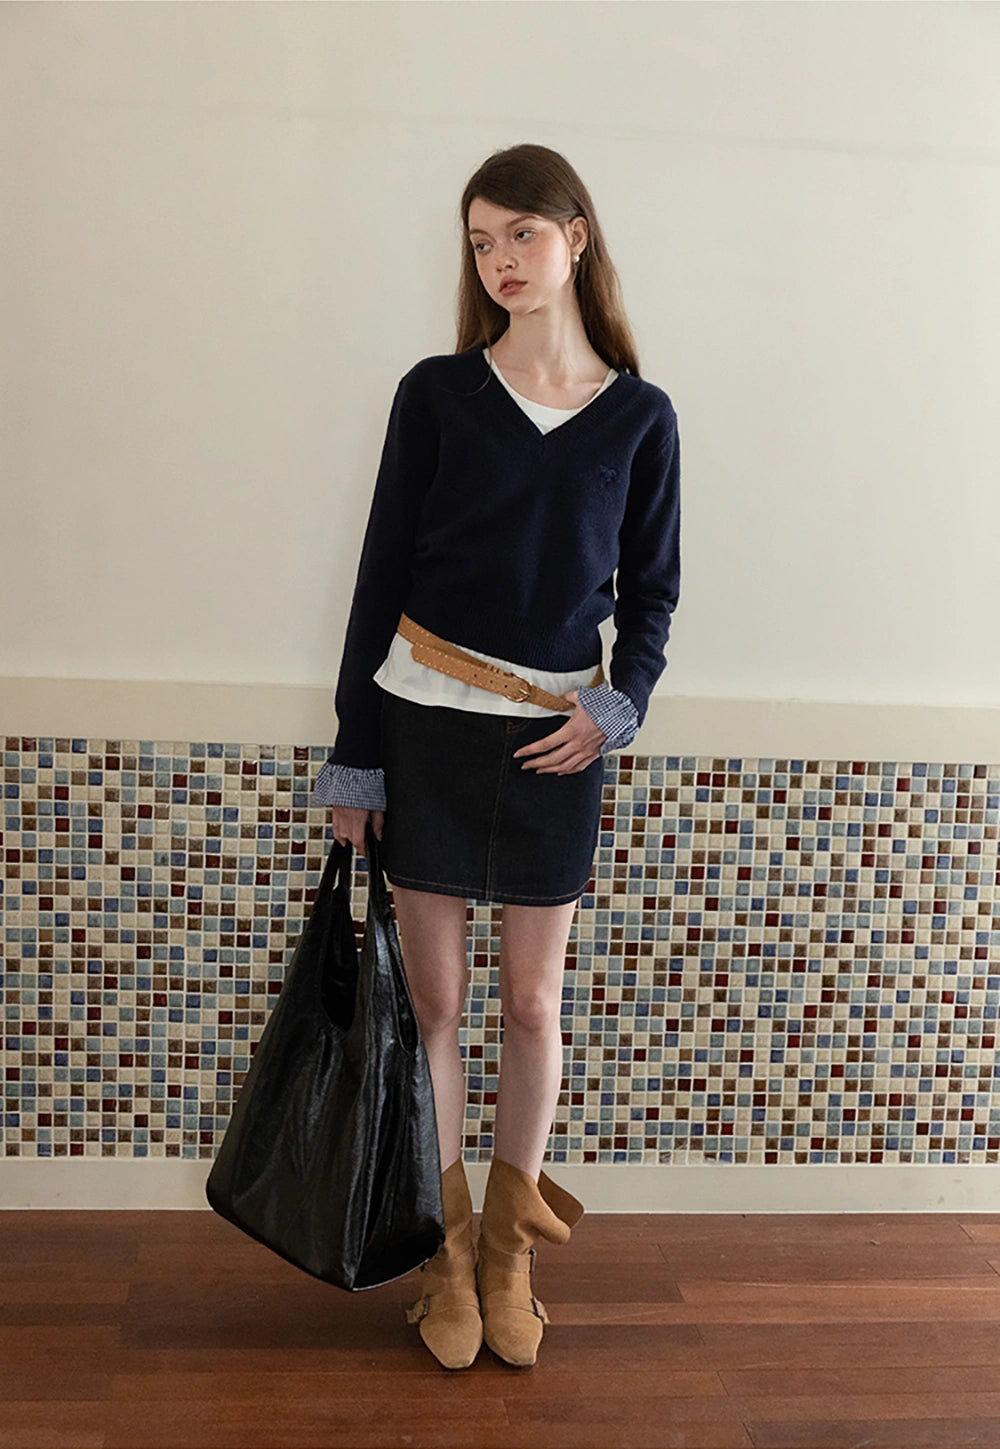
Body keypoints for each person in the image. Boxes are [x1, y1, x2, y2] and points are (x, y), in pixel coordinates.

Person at [312, 142, 681, 1369]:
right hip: (423, 725)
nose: (501, 260)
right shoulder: (435, 395)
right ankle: (446, 1257)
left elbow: (653, 598)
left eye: (521, 233)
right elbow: (379, 578)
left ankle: (511, 1258)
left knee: (531, 1004)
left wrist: (617, 708)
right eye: (481, 242)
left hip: (554, 749)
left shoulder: (639, 417)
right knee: (435, 1005)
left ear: (576, 236)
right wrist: (356, 759)